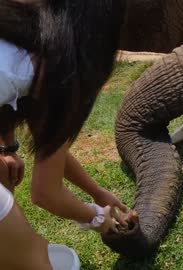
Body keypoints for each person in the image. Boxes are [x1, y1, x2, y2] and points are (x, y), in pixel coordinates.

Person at [0, 0, 129, 268]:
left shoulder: (26, 36)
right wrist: (97, 218)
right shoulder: (59, 63)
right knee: (34, 255)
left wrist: (97, 192)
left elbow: (50, 144)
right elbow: (46, 194)